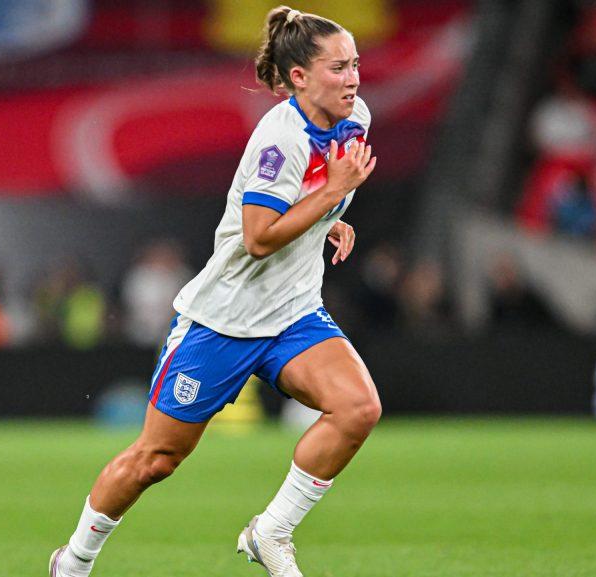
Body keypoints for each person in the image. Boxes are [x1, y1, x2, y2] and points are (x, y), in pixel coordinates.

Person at [49, 6, 380, 577]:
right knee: (156, 459)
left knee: (358, 408)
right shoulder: (280, 140)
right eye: (337, 68)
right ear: (299, 77)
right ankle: (73, 562)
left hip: (293, 314)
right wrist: (330, 199)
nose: (352, 79)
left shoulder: (357, 117)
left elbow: (312, 195)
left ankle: (271, 532)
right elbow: (258, 239)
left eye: (354, 64)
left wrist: (329, 217)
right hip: (223, 321)